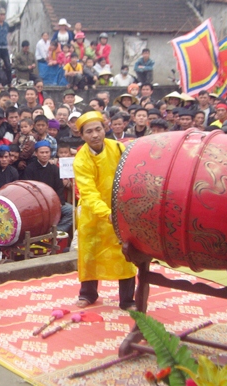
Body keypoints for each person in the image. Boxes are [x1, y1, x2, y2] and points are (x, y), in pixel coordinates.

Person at [73, 111, 136, 310]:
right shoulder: (80, 160)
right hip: (93, 214)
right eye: (89, 131)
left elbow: (131, 174)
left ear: (105, 128)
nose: (95, 135)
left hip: (120, 209)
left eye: (98, 129)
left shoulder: (118, 147)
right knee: (89, 254)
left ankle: (127, 300)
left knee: (125, 255)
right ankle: (88, 294)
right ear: (82, 136)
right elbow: (88, 192)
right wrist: (106, 213)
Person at [22, 140, 73, 234]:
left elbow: (59, 187)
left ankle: (56, 232)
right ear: (36, 153)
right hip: (37, 205)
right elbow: (28, 189)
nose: (45, 155)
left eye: (47, 152)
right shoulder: (30, 169)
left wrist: (59, 203)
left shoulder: (54, 169)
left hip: (53, 203)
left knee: (71, 211)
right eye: (42, 152)